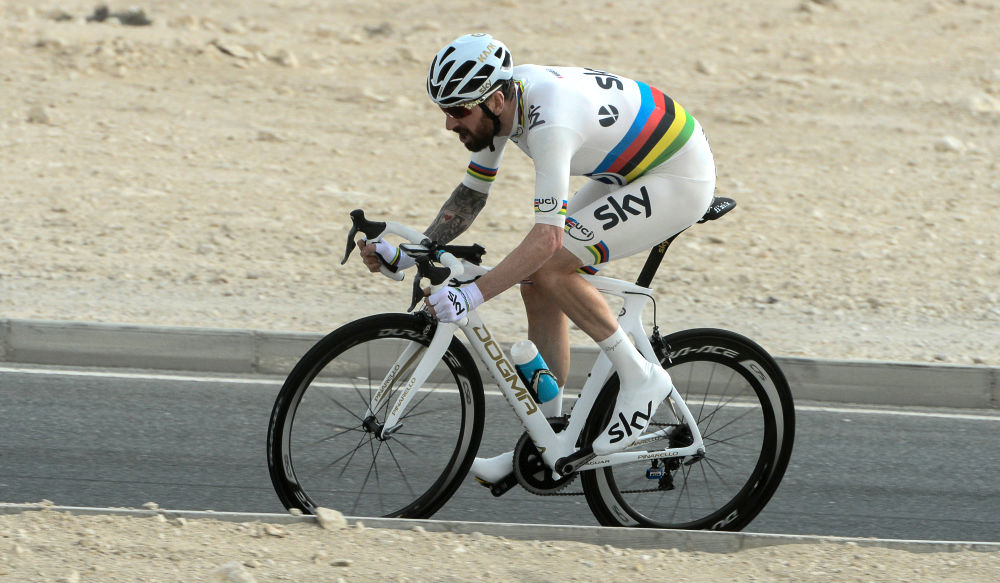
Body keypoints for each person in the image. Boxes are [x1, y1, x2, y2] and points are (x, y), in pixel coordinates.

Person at [358, 33, 716, 468]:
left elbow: (547, 239)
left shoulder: (550, 124)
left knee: (550, 268)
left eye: (457, 111)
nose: (449, 125)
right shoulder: (503, 104)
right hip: (629, 168)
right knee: (535, 283)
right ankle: (553, 441)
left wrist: (470, 295)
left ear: (493, 101)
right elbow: (470, 196)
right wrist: (415, 251)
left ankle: (642, 378)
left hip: (677, 175)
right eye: (444, 110)